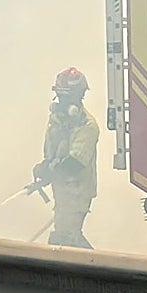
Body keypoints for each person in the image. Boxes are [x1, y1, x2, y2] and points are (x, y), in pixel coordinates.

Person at [33, 67, 98, 248]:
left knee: (66, 238)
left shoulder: (88, 125)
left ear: (79, 97)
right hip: (62, 191)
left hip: (78, 192)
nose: (62, 102)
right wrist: (44, 166)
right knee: (67, 237)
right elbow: (51, 154)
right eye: (60, 96)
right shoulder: (56, 120)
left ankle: (97, 269)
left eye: (67, 97)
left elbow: (74, 163)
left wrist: (51, 172)